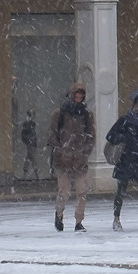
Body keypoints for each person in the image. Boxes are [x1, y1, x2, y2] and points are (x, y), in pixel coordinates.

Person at [105, 94, 138, 230]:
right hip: (125, 159)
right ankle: (116, 218)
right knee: (121, 190)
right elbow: (110, 136)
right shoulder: (125, 121)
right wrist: (125, 137)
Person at [50, 84, 95, 232]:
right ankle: (59, 214)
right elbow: (52, 134)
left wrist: (84, 151)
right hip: (63, 160)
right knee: (64, 191)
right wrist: (61, 150)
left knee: (81, 192)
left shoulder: (87, 114)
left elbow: (91, 135)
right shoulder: (60, 113)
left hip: (80, 160)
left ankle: (79, 221)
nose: (79, 98)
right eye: (77, 95)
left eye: (81, 96)